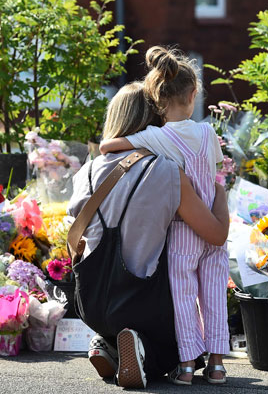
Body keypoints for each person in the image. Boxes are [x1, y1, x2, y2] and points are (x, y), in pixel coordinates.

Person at [68, 81, 229, 388]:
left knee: (116, 314)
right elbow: (215, 234)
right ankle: (144, 352)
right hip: (144, 300)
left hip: (92, 300)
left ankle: (109, 342)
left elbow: (78, 233)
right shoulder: (166, 170)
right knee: (180, 345)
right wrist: (220, 195)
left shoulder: (86, 172)